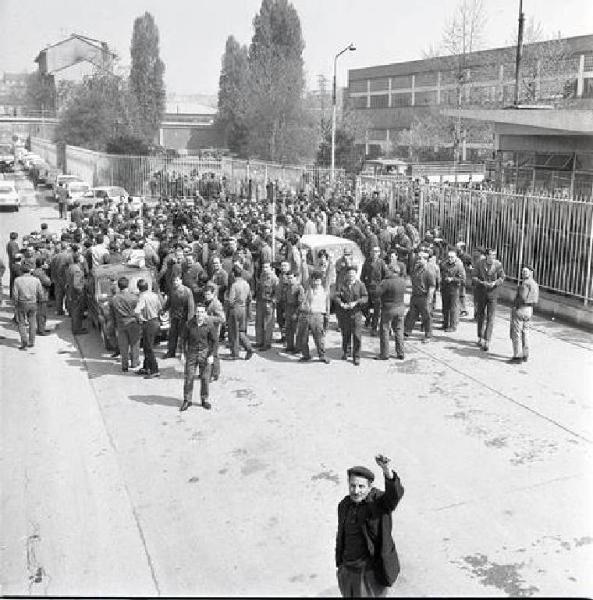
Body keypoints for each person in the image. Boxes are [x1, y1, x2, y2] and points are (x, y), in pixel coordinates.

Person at [335, 455, 405, 598]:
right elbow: (341, 535)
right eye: (352, 486)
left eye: (361, 486)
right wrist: (341, 566)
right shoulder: (344, 505)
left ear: (370, 487)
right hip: (347, 571)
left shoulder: (378, 503)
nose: (356, 491)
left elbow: (394, 496)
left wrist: (386, 470)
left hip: (368, 574)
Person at [181, 303, 216, 412]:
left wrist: (211, 355)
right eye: (198, 312)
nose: (199, 314)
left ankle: (204, 399)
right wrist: (182, 353)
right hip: (191, 353)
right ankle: (187, 400)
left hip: (205, 353)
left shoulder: (209, 325)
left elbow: (214, 341)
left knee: (205, 378)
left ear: (205, 313)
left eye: (201, 312)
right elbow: (183, 340)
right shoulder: (188, 324)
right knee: (189, 378)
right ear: (195, 312)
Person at [472, 248, 505, 352]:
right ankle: (480, 337)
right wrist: (482, 283)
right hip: (481, 292)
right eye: (491, 255)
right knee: (481, 315)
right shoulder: (479, 263)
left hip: (493, 294)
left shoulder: (498, 264)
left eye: (494, 255)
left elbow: (502, 277)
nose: (493, 257)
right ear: (486, 256)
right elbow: (474, 277)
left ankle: (487, 340)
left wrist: (495, 283)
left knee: (491, 317)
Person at [336, 266, 368, 365]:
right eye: (349, 274)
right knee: (346, 334)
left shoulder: (361, 285)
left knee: (357, 335)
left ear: (356, 274)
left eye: (353, 273)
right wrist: (341, 303)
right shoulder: (342, 285)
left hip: (356, 313)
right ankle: (346, 352)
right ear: (346, 275)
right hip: (345, 313)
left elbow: (365, 297)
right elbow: (336, 296)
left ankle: (356, 356)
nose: (351, 275)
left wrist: (356, 302)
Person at [296, 271, 330, 363]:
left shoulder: (324, 290)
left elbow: (328, 275)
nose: (316, 282)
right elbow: (303, 271)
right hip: (306, 315)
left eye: (318, 280)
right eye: (314, 280)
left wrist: (327, 317)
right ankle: (306, 355)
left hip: (318, 315)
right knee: (303, 337)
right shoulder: (308, 289)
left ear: (321, 281)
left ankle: (322, 355)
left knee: (319, 338)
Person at [508, 265, 539, 363]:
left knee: (516, 333)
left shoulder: (525, 283)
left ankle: (517, 356)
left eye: (525, 271)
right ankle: (525, 355)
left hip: (521, 308)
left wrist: (515, 306)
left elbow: (522, 297)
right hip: (529, 310)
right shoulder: (535, 284)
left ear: (531, 272)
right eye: (522, 271)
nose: (523, 273)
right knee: (525, 332)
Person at [376, 264, 407, 360]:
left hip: (388, 308)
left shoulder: (386, 282)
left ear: (391, 271)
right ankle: (400, 352)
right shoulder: (402, 281)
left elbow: (377, 293)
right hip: (400, 308)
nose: (385, 271)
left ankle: (384, 354)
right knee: (399, 330)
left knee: (385, 330)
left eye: (387, 270)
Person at [109, 276, 140, 372]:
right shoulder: (134, 298)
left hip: (121, 324)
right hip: (133, 323)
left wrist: (114, 326)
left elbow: (112, 315)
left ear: (119, 286)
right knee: (134, 343)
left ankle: (124, 366)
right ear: (128, 286)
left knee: (123, 346)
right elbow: (138, 311)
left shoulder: (114, 299)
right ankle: (134, 363)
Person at [134, 278, 163, 378]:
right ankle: (146, 367)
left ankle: (154, 370)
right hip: (155, 321)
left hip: (148, 323)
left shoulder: (142, 297)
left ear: (139, 288)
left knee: (148, 348)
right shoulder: (154, 295)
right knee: (147, 345)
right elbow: (160, 308)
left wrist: (141, 319)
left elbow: (137, 311)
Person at [403, 251, 435, 343]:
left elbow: (432, 286)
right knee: (411, 315)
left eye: (420, 258)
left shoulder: (429, 270)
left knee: (426, 317)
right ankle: (407, 332)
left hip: (424, 297)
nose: (418, 260)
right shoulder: (416, 269)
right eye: (418, 258)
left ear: (425, 259)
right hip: (415, 295)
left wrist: (429, 299)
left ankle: (428, 335)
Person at [162, 275, 194, 359]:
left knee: (183, 336)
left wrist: (190, 319)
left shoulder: (187, 291)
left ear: (181, 280)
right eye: (174, 280)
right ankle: (171, 352)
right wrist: (164, 309)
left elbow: (191, 306)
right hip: (174, 317)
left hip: (184, 317)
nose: (175, 282)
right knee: (172, 335)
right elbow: (169, 302)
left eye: (177, 280)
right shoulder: (172, 290)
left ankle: (184, 353)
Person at [13, 264, 43, 350]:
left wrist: (15, 305)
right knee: (32, 322)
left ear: (21, 271)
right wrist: (40, 301)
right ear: (30, 271)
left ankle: (24, 341)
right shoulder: (36, 280)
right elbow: (40, 292)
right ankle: (31, 341)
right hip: (33, 302)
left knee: (21, 323)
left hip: (21, 303)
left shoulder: (17, 280)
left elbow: (15, 294)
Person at [227, 264, 253, 360]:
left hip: (235, 308)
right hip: (243, 308)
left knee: (233, 332)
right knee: (241, 331)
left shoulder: (234, 285)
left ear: (234, 274)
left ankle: (235, 353)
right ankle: (248, 347)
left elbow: (230, 300)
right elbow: (250, 297)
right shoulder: (246, 284)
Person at [361, 245, 386, 336]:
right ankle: (368, 317)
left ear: (379, 253)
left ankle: (374, 328)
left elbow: (385, 276)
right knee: (364, 306)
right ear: (371, 253)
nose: (375, 253)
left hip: (377, 289)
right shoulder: (367, 262)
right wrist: (363, 285)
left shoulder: (381, 263)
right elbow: (362, 276)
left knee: (376, 310)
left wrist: (381, 287)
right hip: (368, 288)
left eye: (376, 251)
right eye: (373, 251)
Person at [439, 248, 466, 332]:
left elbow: (462, 279)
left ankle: (453, 326)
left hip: (454, 289)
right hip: (445, 288)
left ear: (455, 257)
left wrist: (452, 279)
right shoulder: (444, 265)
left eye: (452, 257)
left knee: (453, 308)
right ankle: (445, 324)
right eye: (449, 257)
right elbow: (440, 273)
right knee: (445, 307)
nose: (450, 259)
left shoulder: (459, 266)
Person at [254, 261, 278, 351]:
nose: (264, 269)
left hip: (269, 303)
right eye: (263, 267)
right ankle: (259, 341)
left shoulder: (274, 279)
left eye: (267, 267)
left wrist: (271, 301)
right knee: (259, 322)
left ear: (271, 268)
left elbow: (277, 293)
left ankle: (267, 343)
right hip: (260, 301)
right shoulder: (262, 276)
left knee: (268, 324)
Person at [204, 283, 225, 381]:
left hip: (215, 332)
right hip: (206, 332)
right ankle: (208, 372)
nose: (206, 296)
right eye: (205, 294)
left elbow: (222, 318)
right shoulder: (206, 302)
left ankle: (215, 373)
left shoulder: (216, 304)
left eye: (208, 294)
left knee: (214, 353)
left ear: (213, 294)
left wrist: (209, 318)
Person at [65, 252, 88, 335]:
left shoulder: (71, 267)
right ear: (78, 260)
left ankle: (76, 328)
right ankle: (77, 329)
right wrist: (81, 292)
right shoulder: (77, 270)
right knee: (77, 312)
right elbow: (77, 285)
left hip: (71, 292)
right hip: (76, 294)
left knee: (75, 311)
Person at [32, 257, 51, 335]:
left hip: (38, 294)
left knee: (41, 313)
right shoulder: (40, 273)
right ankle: (41, 330)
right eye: (45, 263)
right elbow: (48, 282)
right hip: (42, 295)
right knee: (42, 313)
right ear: (42, 264)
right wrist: (48, 277)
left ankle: (41, 328)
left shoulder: (36, 271)